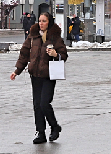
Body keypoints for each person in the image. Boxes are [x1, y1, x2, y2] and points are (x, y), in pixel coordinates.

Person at [10, 12, 68, 144]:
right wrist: (17, 71)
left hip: (48, 75)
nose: (41, 23)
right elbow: (24, 54)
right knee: (37, 105)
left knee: (44, 103)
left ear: (49, 22)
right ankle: (40, 132)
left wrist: (55, 54)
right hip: (35, 75)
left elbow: (64, 55)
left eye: (44, 21)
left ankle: (54, 126)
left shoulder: (55, 37)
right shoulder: (32, 36)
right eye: (40, 21)